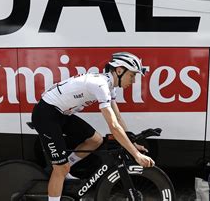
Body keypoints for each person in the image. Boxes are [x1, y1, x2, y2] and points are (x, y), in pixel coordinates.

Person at [31, 52, 155, 201]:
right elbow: (113, 126)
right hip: (46, 114)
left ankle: (64, 168)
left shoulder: (110, 86)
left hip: (61, 114)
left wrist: (132, 142)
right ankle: (60, 170)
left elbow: (118, 118)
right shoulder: (100, 85)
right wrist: (136, 155)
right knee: (60, 168)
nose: (133, 81)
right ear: (120, 70)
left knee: (95, 140)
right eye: (132, 75)